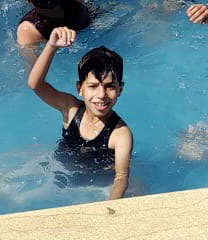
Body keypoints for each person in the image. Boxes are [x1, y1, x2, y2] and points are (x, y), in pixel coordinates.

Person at [27, 27, 133, 200]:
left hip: (98, 183)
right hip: (60, 170)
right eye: (93, 86)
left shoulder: (120, 134)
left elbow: (121, 177)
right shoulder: (71, 109)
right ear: (80, 88)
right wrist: (51, 47)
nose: (101, 95)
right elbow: (35, 85)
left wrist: (111, 205)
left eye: (110, 87)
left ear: (120, 89)